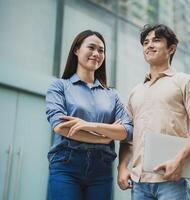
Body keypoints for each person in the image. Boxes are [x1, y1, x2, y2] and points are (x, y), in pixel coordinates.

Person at [117, 24, 190, 200]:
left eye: (156, 40)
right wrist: (122, 167)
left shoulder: (186, 82)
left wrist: (179, 161)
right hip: (139, 184)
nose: (149, 45)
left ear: (171, 48)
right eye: (146, 42)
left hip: (173, 180)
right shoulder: (135, 92)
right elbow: (128, 135)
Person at [46, 30, 133, 200]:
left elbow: (127, 131)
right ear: (76, 50)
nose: (96, 54)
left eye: (101, 50)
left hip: (102, 169)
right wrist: (105, 137)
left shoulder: (112, 95)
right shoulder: (59, 87)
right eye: (91, 47)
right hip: (66, 165)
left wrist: (88, 126)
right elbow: (60, 127)